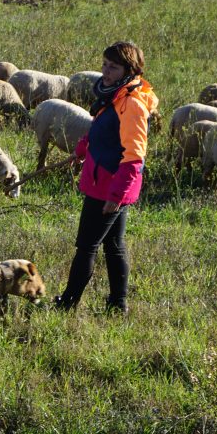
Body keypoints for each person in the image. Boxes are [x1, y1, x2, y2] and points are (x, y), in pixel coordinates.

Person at [54, 41, 158, 315]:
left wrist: (115, 196)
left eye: (113, 66)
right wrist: (82, 148)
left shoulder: (132, 103)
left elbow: (134, 156)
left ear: (129, 69)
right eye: (104, 64)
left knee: (87, 246)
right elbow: (104, 130)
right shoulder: (116, 95)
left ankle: (67, 304)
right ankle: (118, 304)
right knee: (113, 245)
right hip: (106, 181)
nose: (105, 71)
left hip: (110, 186)